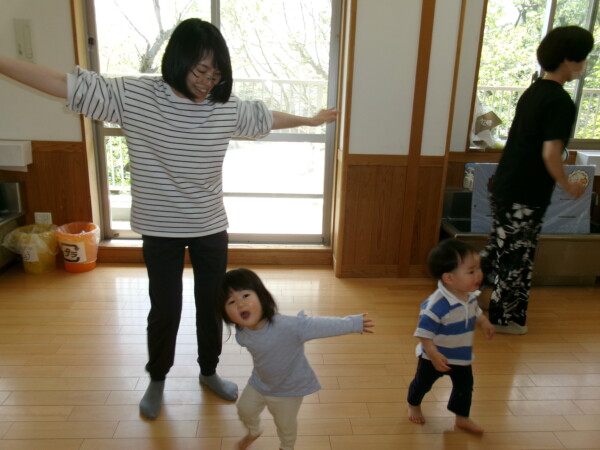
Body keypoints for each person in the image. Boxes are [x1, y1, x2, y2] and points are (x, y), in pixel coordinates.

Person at [0, 18, 338, 420]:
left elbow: (266, 117)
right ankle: (157, 377)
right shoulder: (135, 96)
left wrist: (311, 120)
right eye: (201, 71)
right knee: (165, 309)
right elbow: (62, 83)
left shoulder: (224, 108)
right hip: (159, 228)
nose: (207, 82)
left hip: (210, 225)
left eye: (216, 75)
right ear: (178, 61)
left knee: (213, 305)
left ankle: (209, 371)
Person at [479, 25, 593, 335]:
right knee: (517, 254)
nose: (585, 64)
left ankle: (457, 296)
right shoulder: (560, 101)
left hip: (506, 183)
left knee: (500, 248)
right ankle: (504, 320)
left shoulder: (533, 91)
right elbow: (551, 152)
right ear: (568, 60)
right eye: (583, 57)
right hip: (525, 190)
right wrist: (568, 184)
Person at [218, 268, 374, 450]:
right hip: (259, 383)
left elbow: (319, 325)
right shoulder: (242, 332)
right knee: (244, 410)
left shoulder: (289, 326)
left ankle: (287, 446)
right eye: (231, 302)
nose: (240, 304)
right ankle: (254, 431)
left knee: (285, 425)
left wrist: (352, 324)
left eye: (245, 295)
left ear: (262, 296)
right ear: (226, 315)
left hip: (288, 390)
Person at [407, 238, 494, 434]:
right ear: (449, 278)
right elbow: (424, 333)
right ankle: (413, 404)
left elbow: (474, 310)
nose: (478, 274)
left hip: (461, 356)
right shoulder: (436, 305)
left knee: (465, 388)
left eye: (478, 268)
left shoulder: (470, 295)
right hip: (433, 357)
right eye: (471, 271)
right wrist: (432, 353)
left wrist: (483, 322)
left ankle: (462, 418)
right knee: (422, 384)